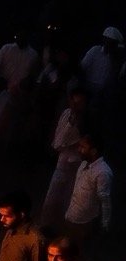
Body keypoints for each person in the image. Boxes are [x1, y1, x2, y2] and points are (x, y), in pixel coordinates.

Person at [40, 88, 89, 229]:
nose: (75, 104)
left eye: (79, 102)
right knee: (52, 196)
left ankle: (62, 227)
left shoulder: (85, 121)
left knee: (68, 198)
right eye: (73, 100)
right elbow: (59, 137)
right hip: (62, 162)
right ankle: (46, 225)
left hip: (76, 165)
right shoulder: (66, 114)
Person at [62, 132, 112, 260]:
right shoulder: (84, 164)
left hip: (83, 223)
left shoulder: (102, 172)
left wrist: (104, 224)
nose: (79, 150)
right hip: (72, 216)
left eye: (83, 147)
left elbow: (105, 201)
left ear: (93, 151)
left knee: (77, 256)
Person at [80, 27, 122, 97]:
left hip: (102, 93)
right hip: (88, 88)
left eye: (112, 43)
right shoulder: (95, 51)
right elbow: (83, 67)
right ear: (104, 40)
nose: (109, 44)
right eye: (108, 41)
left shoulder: (114, 58)